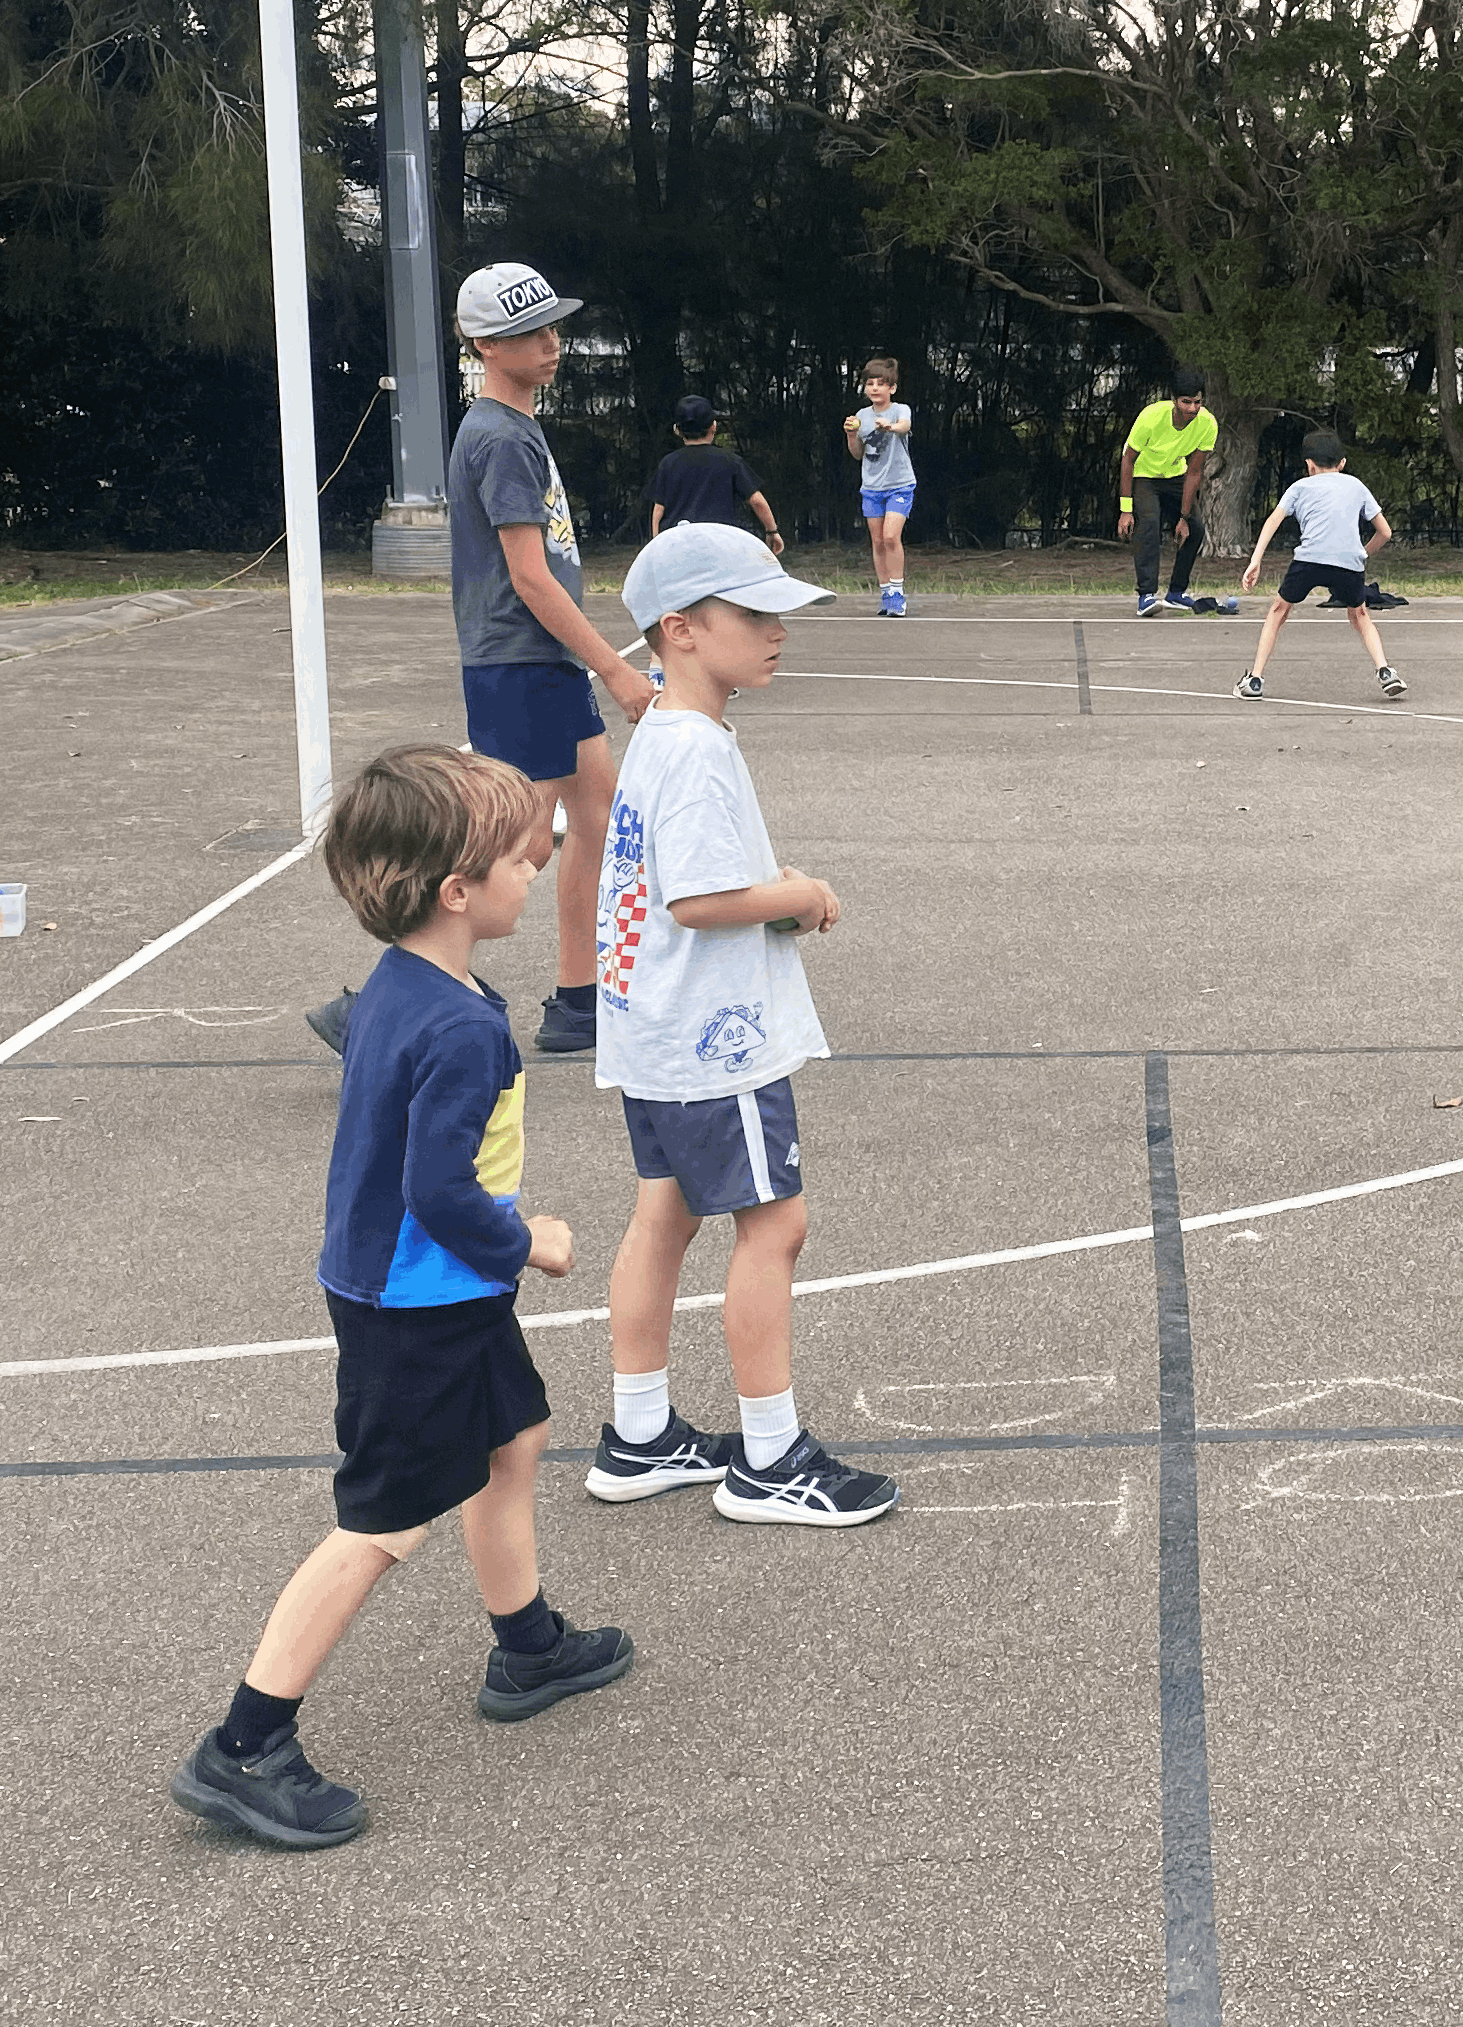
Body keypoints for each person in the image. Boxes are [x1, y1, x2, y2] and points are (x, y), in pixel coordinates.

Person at [172, 747, 630, 1850]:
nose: (539, 862)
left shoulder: (408, 984)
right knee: (382, 1523)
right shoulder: (463, 1027)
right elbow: (440, 1188)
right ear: (456, 891)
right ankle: (243, 1744)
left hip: (429, 1290)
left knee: (515, 1438)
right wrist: (530, 1241)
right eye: (519, 855)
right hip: (418, 1302)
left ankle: (527, 1646)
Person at [585, 522, 901, 1526]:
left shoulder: (665, 732)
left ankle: (641, 1433)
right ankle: (770, 1457)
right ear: (680, 629)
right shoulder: (691, 748)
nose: (777, 631)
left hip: (654, 1030)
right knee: (775, 1225)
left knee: (665, 1214)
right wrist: (796, 894)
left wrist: (771, 889)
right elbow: (699, 898)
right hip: (713, 1040)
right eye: (754, 614)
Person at [305, 262, 656, 1061]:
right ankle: (375, 1010)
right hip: (520, 662)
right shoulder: (497, 436)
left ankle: (579, 1000)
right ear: (483, 345)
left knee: (598, 817)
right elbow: (528, 577)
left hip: (541, 661)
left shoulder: (515, 426)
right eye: (528, 332)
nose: (550, 342)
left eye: (552, 326)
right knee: (512, 848)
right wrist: (615, 667)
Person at [1235, 431, 1400, 700]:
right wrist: (1362, 554)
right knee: (1360, 615)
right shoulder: (1356, 486)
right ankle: (1385, 671)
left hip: (1309, 560)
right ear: (1342, 463)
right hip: (1348, 564)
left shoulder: (1299, 487)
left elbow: (1273, 521)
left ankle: (1255, 679)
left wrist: (1256, 560)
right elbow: (1385, 532)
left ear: (1309, 464)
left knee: (1278, 611)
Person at [1118, 370, 1217, 616]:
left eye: (1197, 402)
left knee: (1195, 529)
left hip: (1175, 475)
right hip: (1144, 475)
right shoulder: (1151, 416)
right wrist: (1125, 510)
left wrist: (1183, 517)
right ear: (1174, 400)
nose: (1192, 409)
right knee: (1149, 525)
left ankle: (1176, 593)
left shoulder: (1208, 423)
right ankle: (1146, 596)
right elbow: (1128, 460)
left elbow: (1194, 471)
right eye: (1186, 402)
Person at [648, 394, 783, 553]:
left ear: (677, 430)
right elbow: (756, 501)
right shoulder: (730, 460)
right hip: (720, 546)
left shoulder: (667, 463)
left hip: (677, 546)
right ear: (714, 426)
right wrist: (772, 531)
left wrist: (655, 545)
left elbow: (659, 509)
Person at [845, 357, 915, 617]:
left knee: (890, 537)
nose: (874, 388)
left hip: (900, 485)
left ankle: (897, 594)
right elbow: (857, 454)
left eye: (880, 384)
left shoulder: (900, 410)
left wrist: (890, 426)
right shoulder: (861, 416)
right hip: (872, 488)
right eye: (870, 384)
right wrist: (851, 435)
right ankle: (886, 593)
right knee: (877, 541)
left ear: (892, 388)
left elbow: (905, 426)